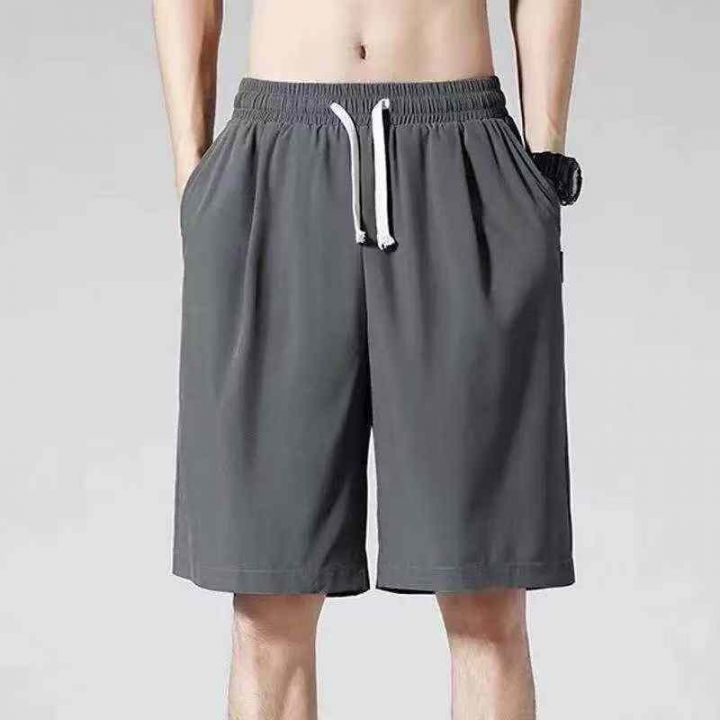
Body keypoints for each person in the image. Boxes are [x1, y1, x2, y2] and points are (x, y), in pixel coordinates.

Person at [153, 0, 582, 717]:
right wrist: (193, 178)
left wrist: (542, 160)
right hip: (277, 154)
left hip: (460, 149)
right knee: (268, 613)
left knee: (486, 601)